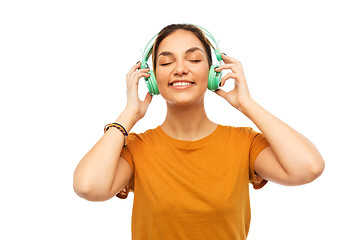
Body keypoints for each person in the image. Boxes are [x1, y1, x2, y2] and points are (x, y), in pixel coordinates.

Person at [73, 24, 325, 239]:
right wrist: (129, 115)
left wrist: (246, 104)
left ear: (213, 72)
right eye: (166, 61)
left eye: (193, 60)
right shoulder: (138, 148)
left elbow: (308, 168)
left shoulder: (243, 143)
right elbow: (87, 186)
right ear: (151, 78)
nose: (180, 68)